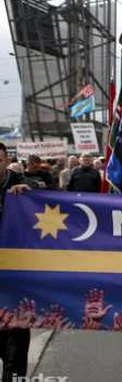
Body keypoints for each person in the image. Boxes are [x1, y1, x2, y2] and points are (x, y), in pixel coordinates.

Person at [0, 142, 32, 382]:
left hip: (19, 268)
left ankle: (15, 374)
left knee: (18, 327)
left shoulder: (21, 183)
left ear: (6, 160)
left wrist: (29, 190)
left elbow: (47, 194)